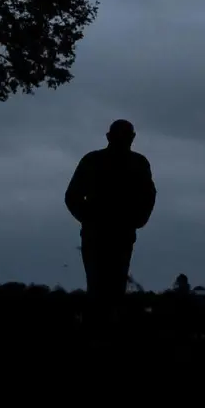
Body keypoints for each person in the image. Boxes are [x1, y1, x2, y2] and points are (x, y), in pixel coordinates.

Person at [66, 119, 156, 330]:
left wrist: (137, 220)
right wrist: (90, 219)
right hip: (103, 232)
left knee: (110, 286)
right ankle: (101, 330)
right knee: (102, 285)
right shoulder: (98, 161)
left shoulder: (135, 163)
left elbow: (148, 196)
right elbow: (73, 196)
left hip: (116, 232)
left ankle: (104, 330)